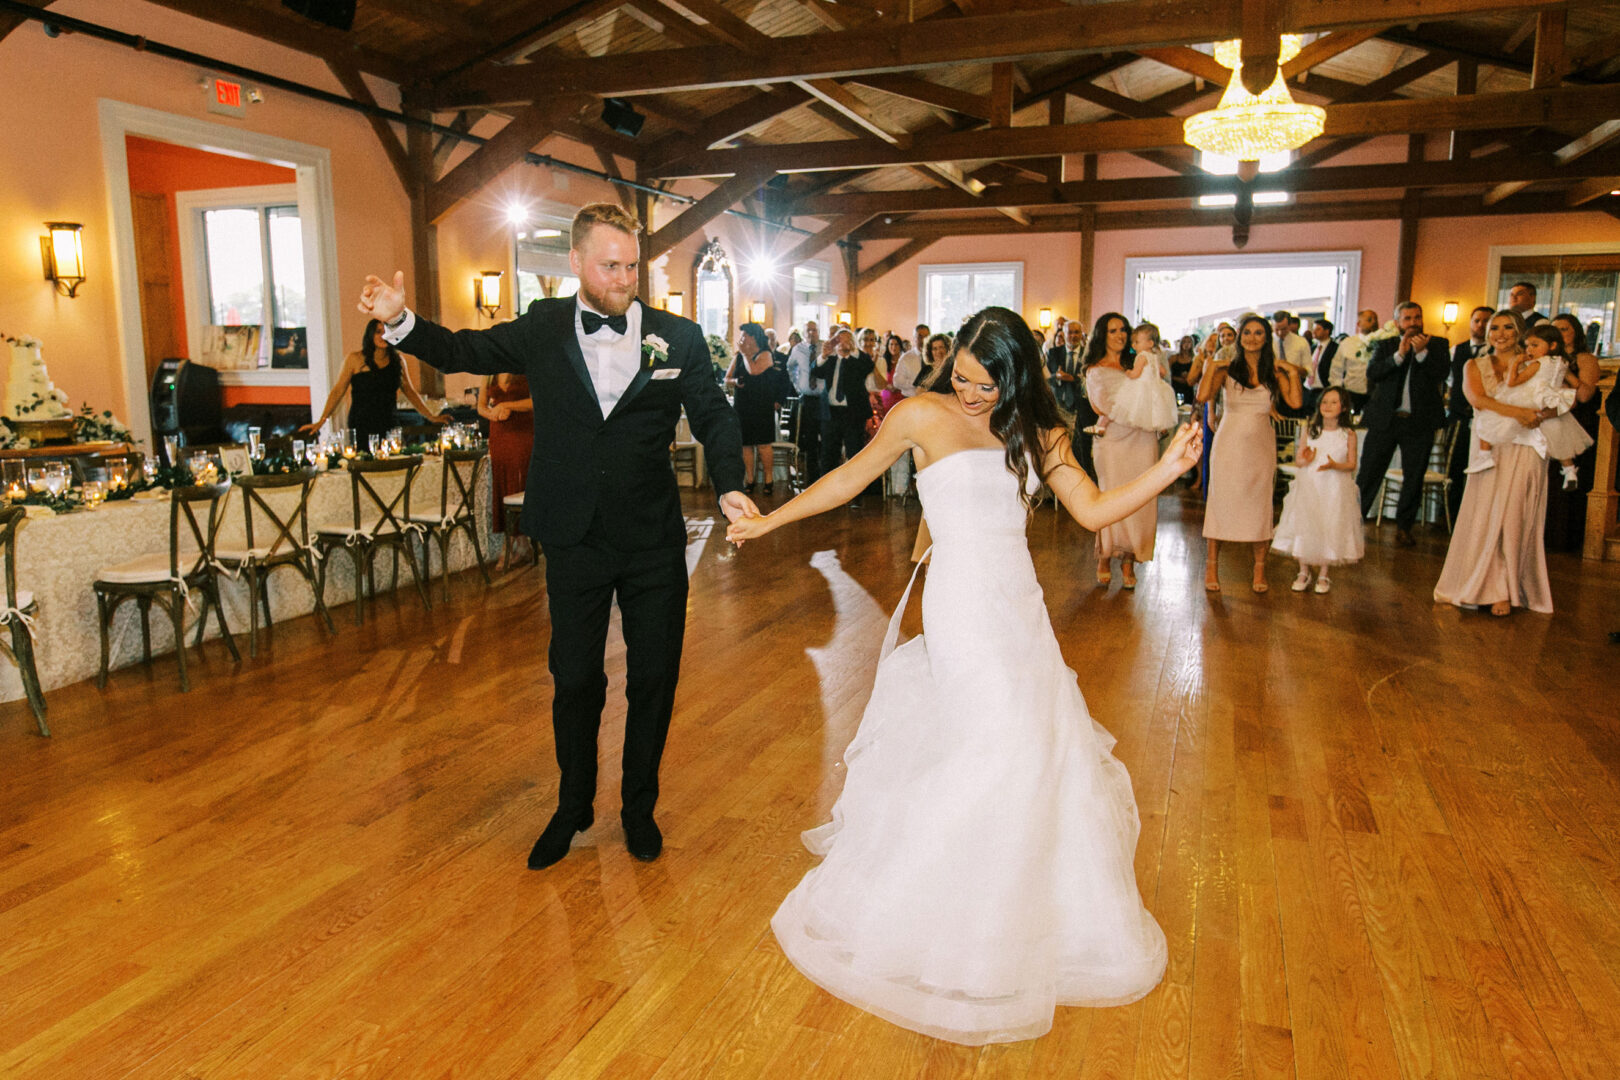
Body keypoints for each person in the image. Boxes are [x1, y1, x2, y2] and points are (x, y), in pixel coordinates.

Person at [726, 306, 1199, 1045]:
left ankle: (1015, 910)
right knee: (998, 744)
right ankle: (944, 914)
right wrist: (770, 521)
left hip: (1019, 605)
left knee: (1037, 747)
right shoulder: (919, 414)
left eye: (988, 383)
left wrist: (1167, 471)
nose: (974, 395)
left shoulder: (1039, 431)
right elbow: (849, 479)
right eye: (965, 378)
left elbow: (1092, 508)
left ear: (1018, 377)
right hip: (960, 605)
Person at [354, 202, 757, 869]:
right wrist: (400, 319)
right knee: (574, 679)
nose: (625, 277)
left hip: (654, 537)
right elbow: (460, 350)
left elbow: (712, 415)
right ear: (575, 263)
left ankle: (637, 809)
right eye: (610, 264)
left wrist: (728, 482)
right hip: (573, 535)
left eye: (631, 264)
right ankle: (573, 807)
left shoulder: (678, 337)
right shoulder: (542, 327)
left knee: (654, 677)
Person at [1434, 309, 1552, 616]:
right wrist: (1519, 413)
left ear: (1519, 331)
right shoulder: (1474, 364)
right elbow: (1478, 400)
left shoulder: (1534, 362)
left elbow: (1550, 398)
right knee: (1486, 513)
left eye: (1507, 328)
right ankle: (1486, 585)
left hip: (1524, 445)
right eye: (1494, 328)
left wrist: (1539, 415)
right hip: (1488, 445)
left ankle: (1509, 587)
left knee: (1514, 515)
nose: (1500, 333)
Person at [1198, 313, 1303, 592]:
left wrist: (1292, 372)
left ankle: (1259, 570)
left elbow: (1294, 402)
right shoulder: (1225, 369)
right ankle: (1211, 567)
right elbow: (1201, 396)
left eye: (1258, 333)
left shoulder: (1275, 372)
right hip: (1229, 441)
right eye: (1247, 333)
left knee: (1260, 503)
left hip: (1260, 444)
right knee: (1221, 500)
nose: (1252, 338)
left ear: (1266, 337)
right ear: (1239, 337)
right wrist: (1212, 364)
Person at [1355, 302, 1449, 547]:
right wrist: (1400, 355)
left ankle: (1404, 527)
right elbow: (1373, 373)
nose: (1413, 322)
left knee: (1414, 476)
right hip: (1385, 421)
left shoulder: (1437, 345)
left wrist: (1421, 354)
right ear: (1397, 323)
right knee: (1369, 473)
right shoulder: (1386, 345)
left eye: (1417, 317)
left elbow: (1441, 373)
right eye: (1407, 318)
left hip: (1419, 423)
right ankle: (1355, 521)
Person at [1085, 314, 1167, 589]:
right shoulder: (1095, 369)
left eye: (1123, 330)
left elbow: (1156, 391)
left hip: (1143, 438)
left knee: (1140, 499)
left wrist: (1153, 415)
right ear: (1102, 335)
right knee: (1111, 496)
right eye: (1113, 331)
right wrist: (1137, 410)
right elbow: (1101, 406)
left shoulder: (1139, 362)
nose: (1120, 335)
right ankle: (1105, 555)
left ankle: (1129, 560)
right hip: (1113, 439)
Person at [1272, 387, 1363, 594]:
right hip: (1310, 485)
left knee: (1329, 524)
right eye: (1324, 402)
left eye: (1333, 402)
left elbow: (1351, 464)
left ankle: (1323, 573)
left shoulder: (1347, 434)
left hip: (1334, 488)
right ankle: (1303, 571)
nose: (1327, 406)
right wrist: (1306, 458)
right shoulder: (1310, 429)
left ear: (1344, 407)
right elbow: (1299, 459)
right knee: (1305, 523)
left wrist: (1334, 465)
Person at [300, 319, 450, 443]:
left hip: (389, 422)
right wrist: (322, 421)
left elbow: (410, 392)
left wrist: (431, 416)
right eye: (378, 332)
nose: (383, 336)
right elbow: (338, 391)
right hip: (362, 424)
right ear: (370, 335)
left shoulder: (398, 361)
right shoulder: (354, 359)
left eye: (387, 332)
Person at [1546, 314, 1604, 549]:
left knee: (1568, 483)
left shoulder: (1584, 359)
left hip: (1576, 421)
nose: (1559, 333)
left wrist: (1565, 375)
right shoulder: (1545, 358)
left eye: (1564, 329)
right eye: (1555, 329)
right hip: (1548, 421)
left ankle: (1565, 539)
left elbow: (1584, 395)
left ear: (1576, 332)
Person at [815, 327, 877, 507]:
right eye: (839, 340)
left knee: (854, 453)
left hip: (852, 414)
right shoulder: (830, 359)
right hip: (831, 413)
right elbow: (815, 371)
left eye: (846, 340)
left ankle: (855, 495)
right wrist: (824, 355)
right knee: (828, 454)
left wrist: (853, 350)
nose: (842, 344)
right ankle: (825, 496)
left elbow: (868, 366)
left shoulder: (858, 360)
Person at [479, 372, 535, 569]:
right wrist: (492, 413)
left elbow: (537, 400)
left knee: (519, 483)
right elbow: (481, 406)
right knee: (502, 485)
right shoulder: (489, 372)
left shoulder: (524, 364)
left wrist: (508, 406)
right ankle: (517, 543)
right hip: (499, 432)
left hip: (523, 430)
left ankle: (518, 541)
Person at [726, 322, 785, 495]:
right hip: (743, 404)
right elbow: (727, 378)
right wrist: (735, 382)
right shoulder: (738, 356)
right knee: (746, 445)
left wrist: (745, 354)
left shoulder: (765, 354)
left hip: (761, 405)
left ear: (753, 337)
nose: (742, 339)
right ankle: (749, 480)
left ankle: (768, 480)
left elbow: (754, 370)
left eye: (745, 335)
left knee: (763, 444)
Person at [1447, 305, 1494, 523]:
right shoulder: (1456, 350)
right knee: (1455, 467)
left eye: (1486, 321)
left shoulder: (1496, 353)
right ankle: (1452, 515)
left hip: (1488, 419)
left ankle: (1480, 517)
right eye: (1477, 320)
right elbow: (1450, 383)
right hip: (1458, 417)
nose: (1481, 325)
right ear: (1470, 322)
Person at [1105, 322, 1178, 435]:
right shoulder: (1155, 357)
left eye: (1137, 342)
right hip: (1155, 386)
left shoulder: (1142, 356)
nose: (1134, 345)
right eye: (1133, 342)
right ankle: (1161, 429)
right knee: (1156, 408)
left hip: (1143, 386)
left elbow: (1136, 374)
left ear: (1150, 343)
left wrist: (1129, 372)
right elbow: (1163, 372)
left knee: (1136, 407)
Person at [786, 320, 825, 485]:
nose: (811, 333)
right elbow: (790, 368)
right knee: (809, 440)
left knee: (825, 439)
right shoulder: (798, 349)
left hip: (824, 400)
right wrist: (798, 385)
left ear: (818, 332)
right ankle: (812, 478)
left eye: (814, 330)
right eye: (808, 331)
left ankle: (826, 476)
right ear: (804, 333)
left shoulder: (825, 347)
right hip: (807, 399)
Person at [1330, 308, 1379, 412]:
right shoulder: (1347, 343)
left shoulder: (1383, 343)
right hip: (1352, 393)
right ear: (1358, 323)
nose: (1374, 323)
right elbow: (1336, 370)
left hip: (1376, 394)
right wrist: (1338, 392)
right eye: (1369, 320)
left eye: (1376, 320)